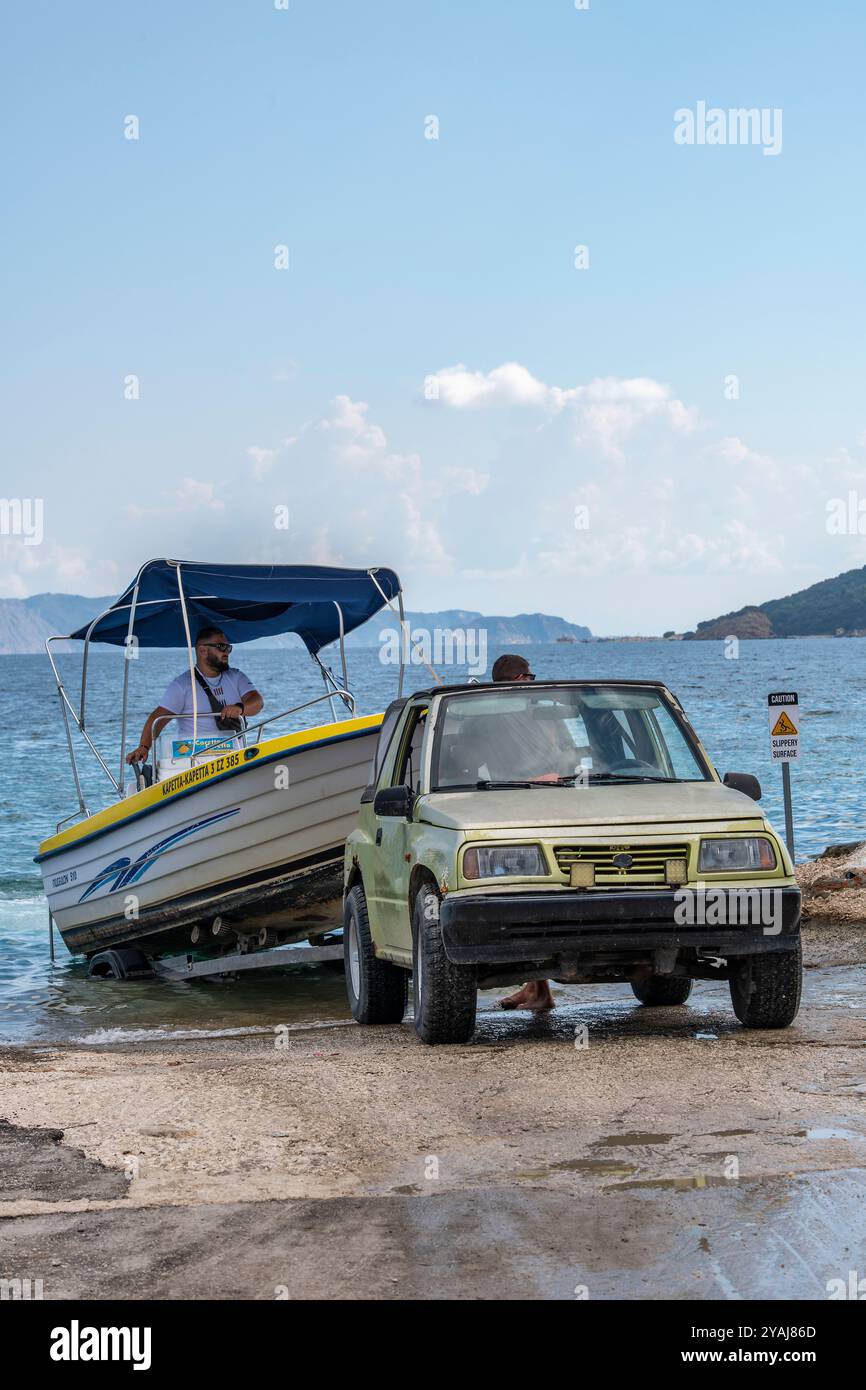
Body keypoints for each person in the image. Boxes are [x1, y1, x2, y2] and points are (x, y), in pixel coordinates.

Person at [490, 652, 556, 1014]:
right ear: (518, 680)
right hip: (525, 807)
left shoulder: (519, 716)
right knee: (534, 894)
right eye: (529, 677)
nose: (533, 683)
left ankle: (537, 988)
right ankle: (537, 988)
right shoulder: (510, 718)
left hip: (534, 803)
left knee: (537, 895)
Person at [126, 626, 264, 765]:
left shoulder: (236, 677)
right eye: (221, 647)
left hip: (235, 759)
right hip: (197, 764)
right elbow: (158, 718)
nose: (226, 652)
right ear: (202, 650)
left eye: (228, 648)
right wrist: (144, 747)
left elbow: (257, 702)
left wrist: (240, 708)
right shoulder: (182, 685)